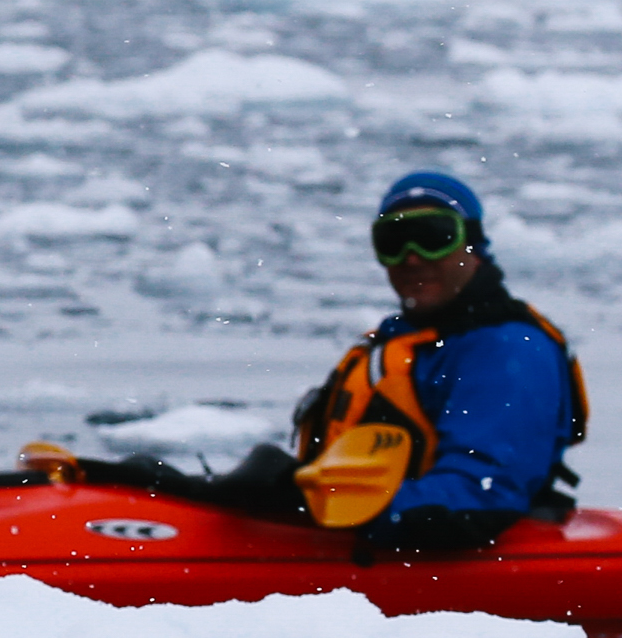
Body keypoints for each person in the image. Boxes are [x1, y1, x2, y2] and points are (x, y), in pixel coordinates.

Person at [99, 169, 585, 562]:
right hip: (361, 532)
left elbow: (479, 496)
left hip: (426, 549)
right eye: (393, 241)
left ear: (474, 246)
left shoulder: (507, 350)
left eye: (433, 237)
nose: (412, 258)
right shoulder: (414, 341)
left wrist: (320, 510)